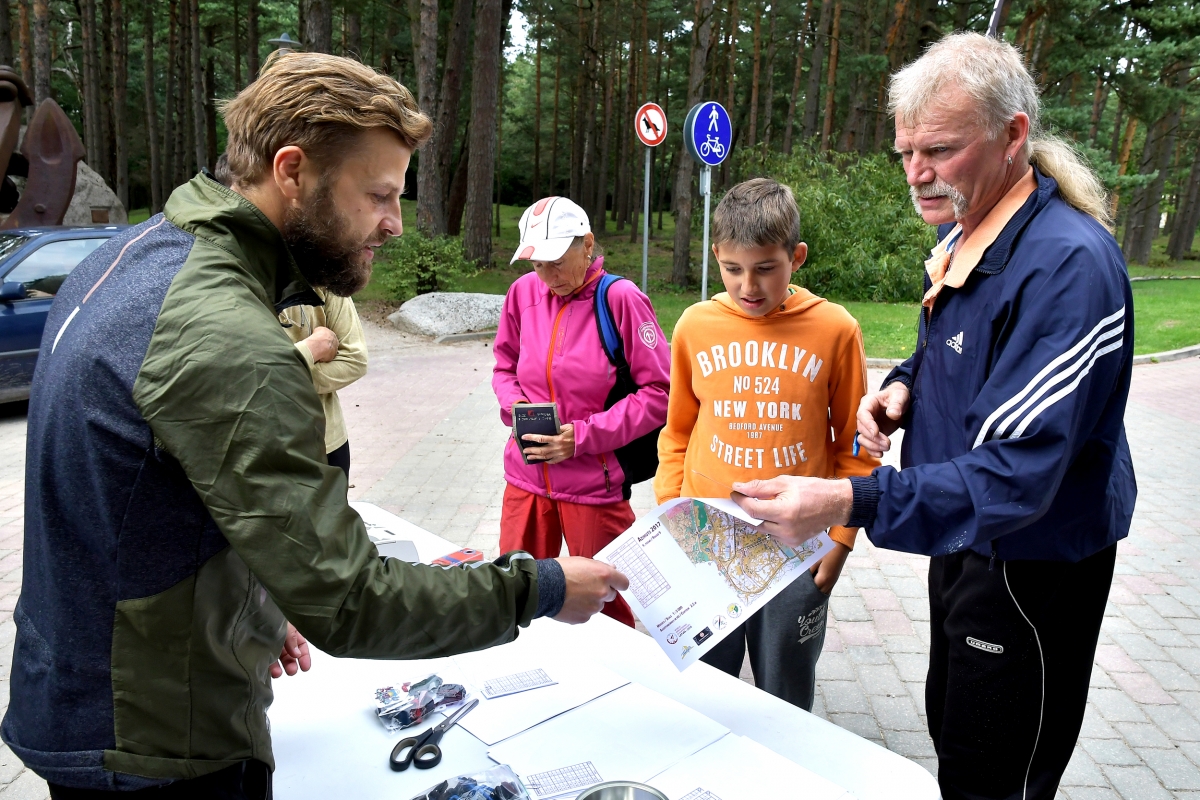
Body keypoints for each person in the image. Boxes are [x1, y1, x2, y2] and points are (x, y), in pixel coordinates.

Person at [3, 52, 626, 798]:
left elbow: (144, 500)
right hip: (158, 742)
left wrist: (251, 604)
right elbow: (351, 602)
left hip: (83, 692)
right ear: (292, 171)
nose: (394, 224)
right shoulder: (227, 337)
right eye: (378, 195)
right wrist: (542, 588)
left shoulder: (132, 256)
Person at [731, 33, 1134, 800]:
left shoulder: (1068, 266)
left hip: (1029, 561)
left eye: (941, 150)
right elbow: (950, 344)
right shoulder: (970, 227)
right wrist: (903, 387)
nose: (917, 174)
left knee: (994, 774)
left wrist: (849, 498)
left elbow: (1018, 470)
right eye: (906, 152)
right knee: (953, 728)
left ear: (1013, 136)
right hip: (964, 536)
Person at [653, 178, 877, 710]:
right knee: (706, 694)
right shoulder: (695, 326)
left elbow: (855, 446)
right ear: (716, 256)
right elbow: (678, 430)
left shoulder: (835, 329)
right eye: (732, 269)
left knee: (786, 691)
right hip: (706, 538)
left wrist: (841, 540)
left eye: (765, 268)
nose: (747, 285)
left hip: (797, 545)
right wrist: (669, 515)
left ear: (796, 257)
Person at [493, 196, 670, 628]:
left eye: (556, 262)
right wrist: (515, 405)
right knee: (513, 599)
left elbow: (659, 393)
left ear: (587, 244)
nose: (547, 277)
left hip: (593, 483)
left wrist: (583, 436)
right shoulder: (522, 294)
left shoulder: (621, 299)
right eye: (537, 265)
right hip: (526, 478)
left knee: (606, 608)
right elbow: (504, 368)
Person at [278, 287, 367, 479]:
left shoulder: (325, 276)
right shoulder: (236, 281)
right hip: (264, 446)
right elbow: (237, 370)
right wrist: (312, 349)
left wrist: (281, 376)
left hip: (327, 442)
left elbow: (354, 360)